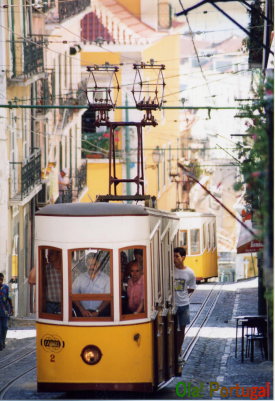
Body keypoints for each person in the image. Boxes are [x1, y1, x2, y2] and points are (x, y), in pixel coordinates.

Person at [174, 247, 196, 360]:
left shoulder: (190, 273)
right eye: (173, 256)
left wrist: (183, 294)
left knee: (181, 330)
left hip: (184, 305)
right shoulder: (169, 270)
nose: (174, 259)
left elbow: (192, 288)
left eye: (177, 256)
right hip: (172, 305)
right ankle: (174, 350)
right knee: (173, 330)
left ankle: (178, 351)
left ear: (183, 257)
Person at [72, 252, 110, 317]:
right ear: (86, 264)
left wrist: (97, 311)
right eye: (89, 264)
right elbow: (74, 296)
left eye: (94, 264)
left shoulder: (106, 279)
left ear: (98, 264)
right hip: (82, 313)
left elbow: (108, 298)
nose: (91, 267)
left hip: (101, 313)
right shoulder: (80, 278)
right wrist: (82, 310)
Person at [0, 273, 13, 350]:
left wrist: (12, 309)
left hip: (4, 312)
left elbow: (9, 298)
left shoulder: (6, 288)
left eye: (1, 280)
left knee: (4, 328)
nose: (0, 281)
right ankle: (1, 344)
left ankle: (3, 341)